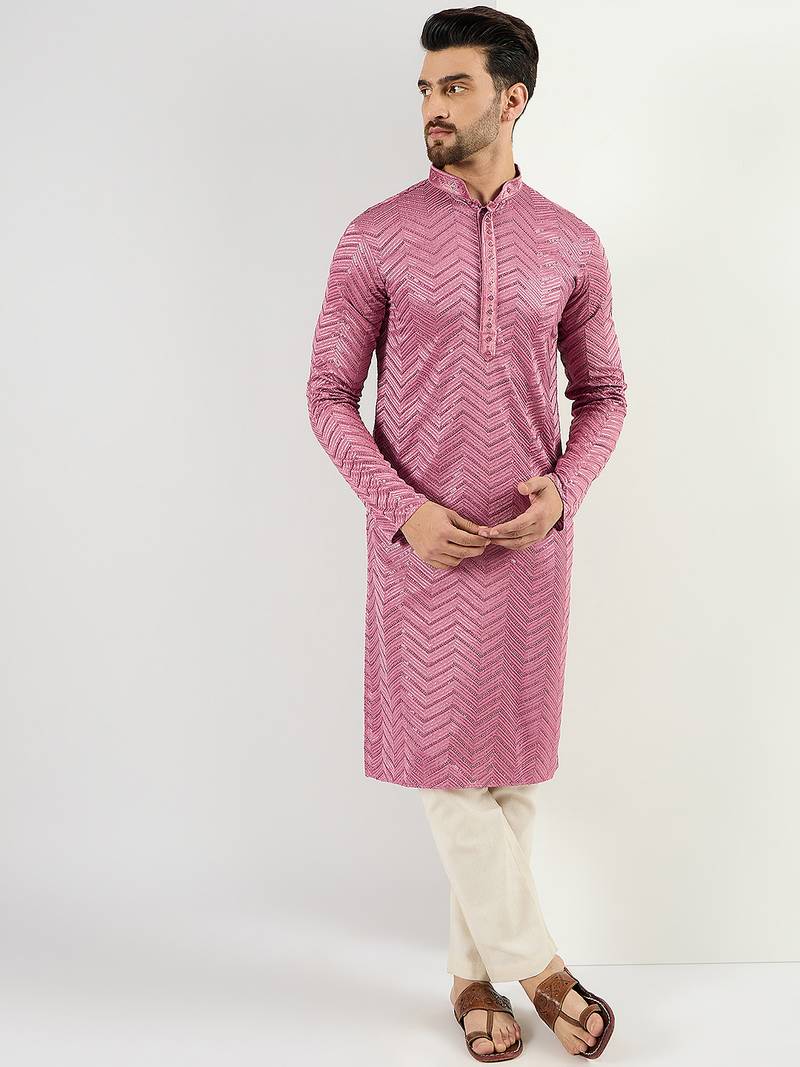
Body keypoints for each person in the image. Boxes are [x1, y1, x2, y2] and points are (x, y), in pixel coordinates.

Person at [306, 6, 626, 1061]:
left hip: (530, 550)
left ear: (511, 98)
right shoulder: (377, 235)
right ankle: (542, 968)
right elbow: (326, 394)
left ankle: (470, 978)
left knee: (509, 779)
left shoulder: (570, 243)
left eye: (454, 86)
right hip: (421, 552)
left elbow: (604, 393)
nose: (432, 107)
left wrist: (564, 492)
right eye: (425, 89)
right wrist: (402, 509)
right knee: (450, 773)